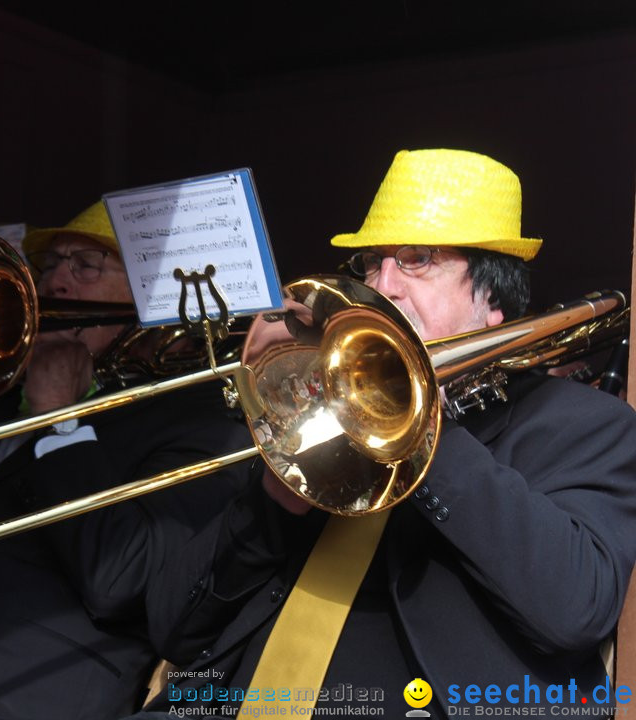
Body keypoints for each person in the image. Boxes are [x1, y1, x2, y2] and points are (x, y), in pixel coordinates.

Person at [125, 149, 636, 717]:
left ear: (492, 302)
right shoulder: (314, 411)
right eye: (371, 263)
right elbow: (176, 627)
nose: (383, 283)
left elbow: (574, 609)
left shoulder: (582, 424)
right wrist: (268, 503)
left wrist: (423, 432)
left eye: (417, 260)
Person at [0, 202, 253, 720]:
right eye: (50, 264)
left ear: (157, 295)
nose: (55, 282)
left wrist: (61, 423)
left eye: (86, 265)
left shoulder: (205, 420)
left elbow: (120, 579)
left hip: (14, 699)